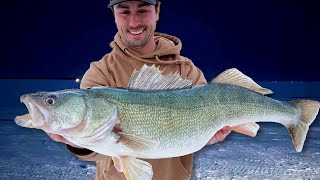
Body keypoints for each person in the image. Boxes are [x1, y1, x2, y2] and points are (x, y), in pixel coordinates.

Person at [48, 0, 232, 179]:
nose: (134, 22)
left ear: (157, 10)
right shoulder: (101, 72)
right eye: (125, 11)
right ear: (114, 15)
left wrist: (211, 135)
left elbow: (204, 126)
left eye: (143, 10)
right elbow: (99, 149)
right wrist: (78, 141)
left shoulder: (186, 70)